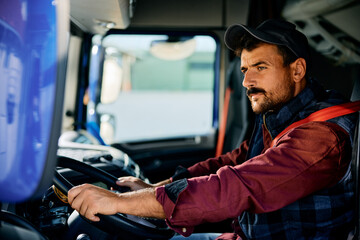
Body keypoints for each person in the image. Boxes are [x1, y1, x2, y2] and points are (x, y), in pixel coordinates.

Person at [68, 19, 359, 239]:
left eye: (260, 67)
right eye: (245, 70)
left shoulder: (321, 138)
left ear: (297, 70)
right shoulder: (279, 116)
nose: (246, 82)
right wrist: (156, 188)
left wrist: (118, 201)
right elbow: (236, 161)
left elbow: (236, 187)